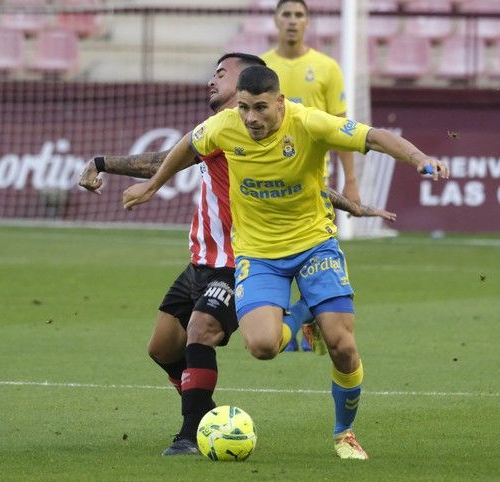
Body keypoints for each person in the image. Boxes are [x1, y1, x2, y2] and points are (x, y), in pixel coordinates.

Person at [121, 65, 449, 460]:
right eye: (244, 108)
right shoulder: (224, 125)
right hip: (258, 254)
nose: (251, 118)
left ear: (280, 102)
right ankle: (296, 322)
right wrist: (153, 186)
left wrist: (418, 158)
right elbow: (188, 146)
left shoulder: (309, 122)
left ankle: (344, 434)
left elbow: (373, 137)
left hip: (314, 245)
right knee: (261, 346)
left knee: (342, 345)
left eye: (260, 108)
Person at [261, 0, 361, 351]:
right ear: (275, 20)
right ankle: (286, 327)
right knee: (271, 255)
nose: (292, 21)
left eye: (298, 15)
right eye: (286, 14)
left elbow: (343, 131)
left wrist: (350, 181)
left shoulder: (326, 68)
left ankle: (310, 328)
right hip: (269, 185)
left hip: (316, 184)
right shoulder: (261, 67)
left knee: (316, 257)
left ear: (308, 22)